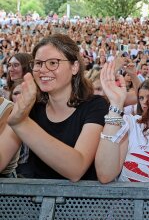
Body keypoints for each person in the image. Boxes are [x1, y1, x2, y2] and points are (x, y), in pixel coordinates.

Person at [0, 34, 108, 181]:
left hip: (81, 202)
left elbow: (76, 168)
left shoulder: (95, 105)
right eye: (38, 63)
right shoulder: (31, 106)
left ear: (74, 67)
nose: (43, 70)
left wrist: (22, 123)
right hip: (37, 200)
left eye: (52, 63)